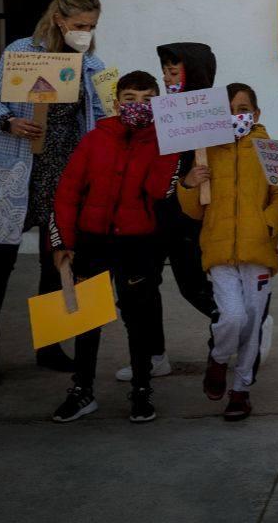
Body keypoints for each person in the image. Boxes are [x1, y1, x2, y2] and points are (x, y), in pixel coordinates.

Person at [0, 0, 106, 385]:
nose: (85, 31)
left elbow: (101, 115)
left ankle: (49, 344)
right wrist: (8, 121)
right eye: (79, 24)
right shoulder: (22, 53)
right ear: (59, 19)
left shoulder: (93, 65)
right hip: (18, 168)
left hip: (64, 173)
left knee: (57, 259)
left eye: (92, 26)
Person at [48, 71, 178, 423]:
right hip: (93, 240)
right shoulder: (95, 139)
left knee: (137, 319)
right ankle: (82, 390)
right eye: (131, 98)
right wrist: (62, 241)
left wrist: (172, 151)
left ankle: (141, 390)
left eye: (148, 99)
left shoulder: (164, 142)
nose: (138, 106)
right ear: (117, 103)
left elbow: (156, 190)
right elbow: (68, 191)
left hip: (137, 243)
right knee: (87, 318)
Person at [179, 83, 278, 421]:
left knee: (253, 323)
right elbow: (193, 210)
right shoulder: (207, 151)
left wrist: (267, 224)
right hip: (219, 251)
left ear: (255, 114)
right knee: (233, 317)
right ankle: (218, 358)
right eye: (227, 109)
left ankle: (240, 391)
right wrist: (189, 184)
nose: (235, 115)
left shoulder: (269, 149)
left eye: (242, 108)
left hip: (257, 251)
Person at [114, 43, 221, 382]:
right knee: (144, 286)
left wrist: (190, 182)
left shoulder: (210, 112)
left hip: (186, 217)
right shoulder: (154, 113)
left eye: (175, 71)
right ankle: (153, 355)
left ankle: (247, 324)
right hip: (149, 215)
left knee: (193, 285)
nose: (167, 77)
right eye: (165, 71)